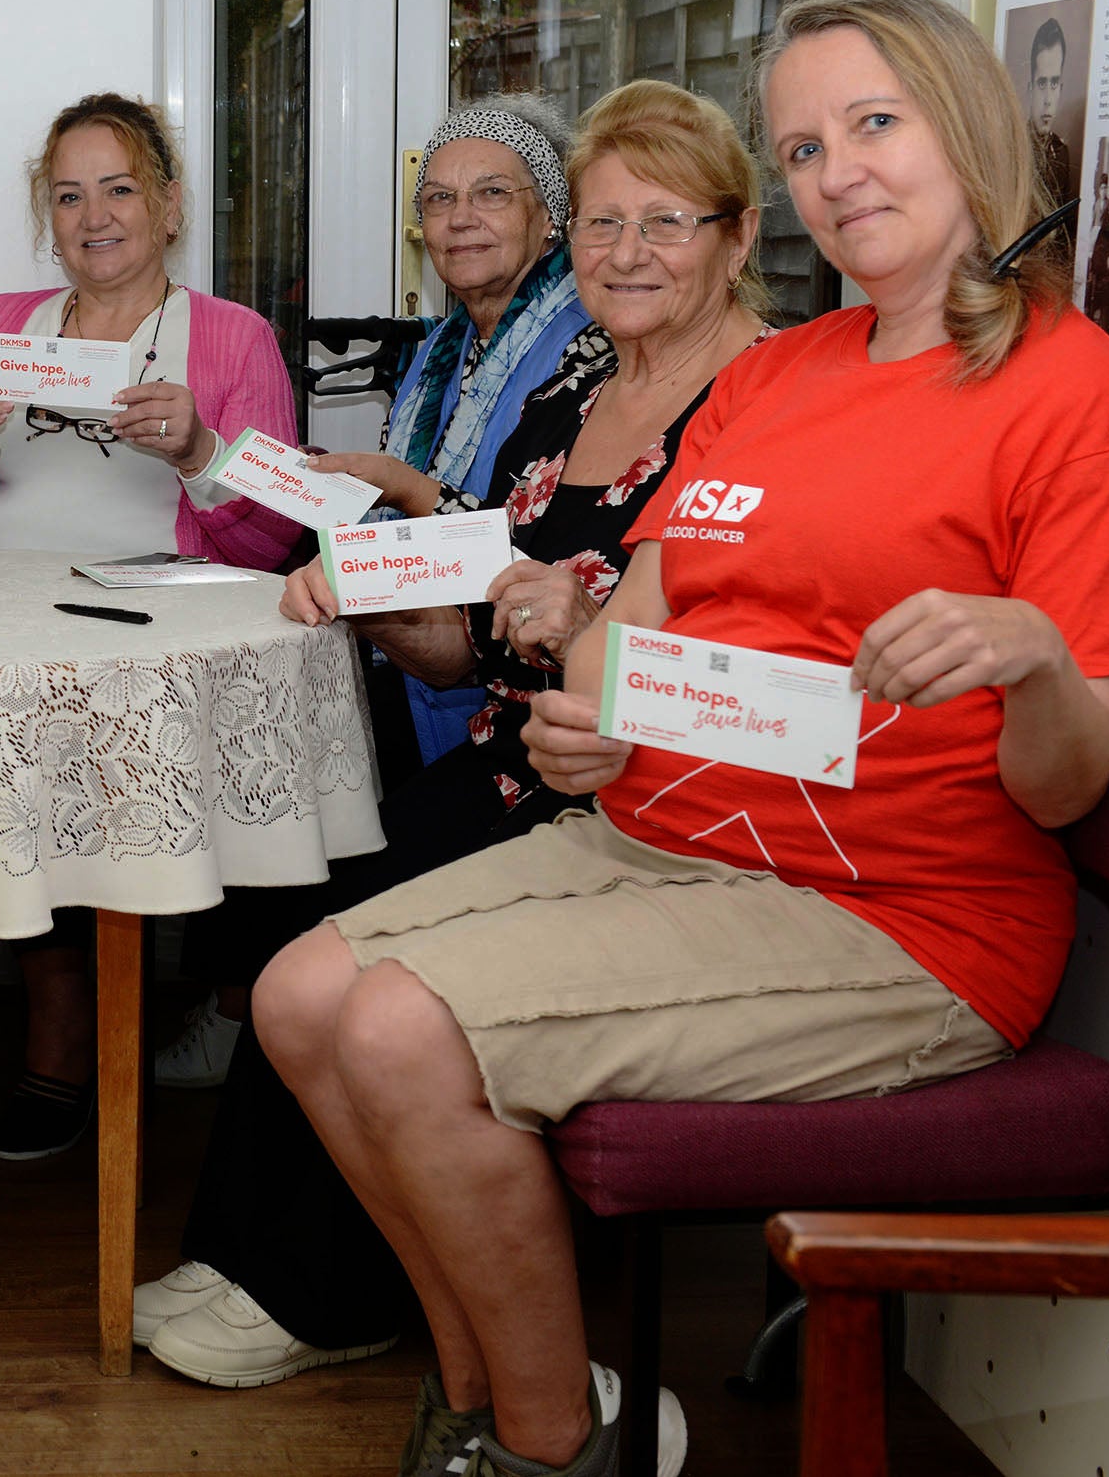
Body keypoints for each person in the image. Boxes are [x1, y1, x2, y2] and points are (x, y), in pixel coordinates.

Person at [254, 0, 1109, 1477]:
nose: (840, 173)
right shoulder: (776, 374)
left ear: (966, 126)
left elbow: (1068, 780)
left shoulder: (1078, 401)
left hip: (903, 915)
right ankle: (478, 1398)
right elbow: (654, 582)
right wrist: (595, 720)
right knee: (299, 991)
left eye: (874, 125)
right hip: (669, 833)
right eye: (806, 145)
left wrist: (1031, 658)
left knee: (395, 1020)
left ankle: (551, 1443)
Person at [132, 80, 771, 1395]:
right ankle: (255, 1254)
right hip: (504, 754)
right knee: (304, 912)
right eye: (604, 223)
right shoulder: (580, 384)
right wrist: (367, 586)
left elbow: (767, 648)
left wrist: (576, 625)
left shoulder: (766, 397)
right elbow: (465, 638)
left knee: (357, 932)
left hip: (633, 789)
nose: (626, 252)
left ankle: (322, 1291)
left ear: (736, 234)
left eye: (664, 222)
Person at [0, 90, 304, 1159]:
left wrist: (198, 452)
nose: (95, 216)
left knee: (64, 760)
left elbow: (270, 543)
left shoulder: (231, 337)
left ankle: (61, 1031)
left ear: (169, 206)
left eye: (119, 188)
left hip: (144, 626)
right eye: (69, 195)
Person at [158, 95, 591, 1089]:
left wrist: (387, 490)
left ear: (549, 216)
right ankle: (246, 1007)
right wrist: (328, 488)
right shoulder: (442, 347)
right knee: (261, 717)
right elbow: (408, 516)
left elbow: (526, 539)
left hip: (508, 678)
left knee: (298, 751)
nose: (459, 218)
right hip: (415, 638)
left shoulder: (582, 344)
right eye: (437, 200)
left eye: (492, 194)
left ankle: (270, 1021)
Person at [1025, 16, 1073, 210]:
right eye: (1042, 83)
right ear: (1030, 89)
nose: (1047, 99)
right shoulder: (1014, 149)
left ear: (1061, 89)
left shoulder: (1061, 153)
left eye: (1054, 84)